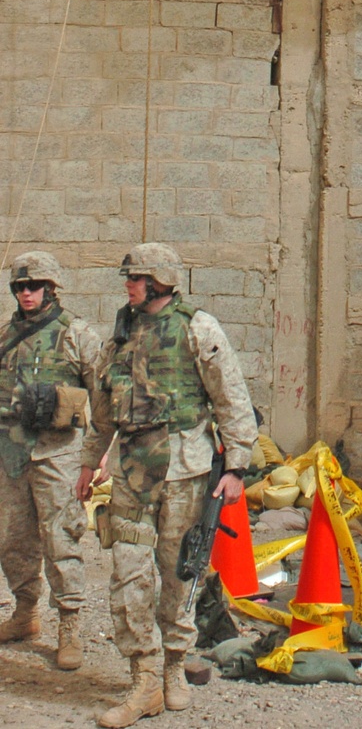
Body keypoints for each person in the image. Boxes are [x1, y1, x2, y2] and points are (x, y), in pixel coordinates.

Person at [77, 242, 256, 728]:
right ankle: (143, 680)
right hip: (133, 475)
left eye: (134, 278)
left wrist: (236, 467)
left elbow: (231, 400)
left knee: (179, 574)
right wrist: (87, 464)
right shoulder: (119, 338)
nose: (128, 286)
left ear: (159, 281)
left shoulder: (198, 329)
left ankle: (175, 664)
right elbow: (102, 413)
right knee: (129, 574)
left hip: (186, 473)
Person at [0, 251, 101, 671]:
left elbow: (106, 398)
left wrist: (97, 457)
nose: (27, 293)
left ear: (51, 288)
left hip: (58, 454)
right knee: (13, 539)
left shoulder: (77, 334)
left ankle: (70, 624)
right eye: (20, 286)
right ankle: (26, 613)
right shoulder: (5, 334)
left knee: (62, 539)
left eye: (34, 286)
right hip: (11, 453)